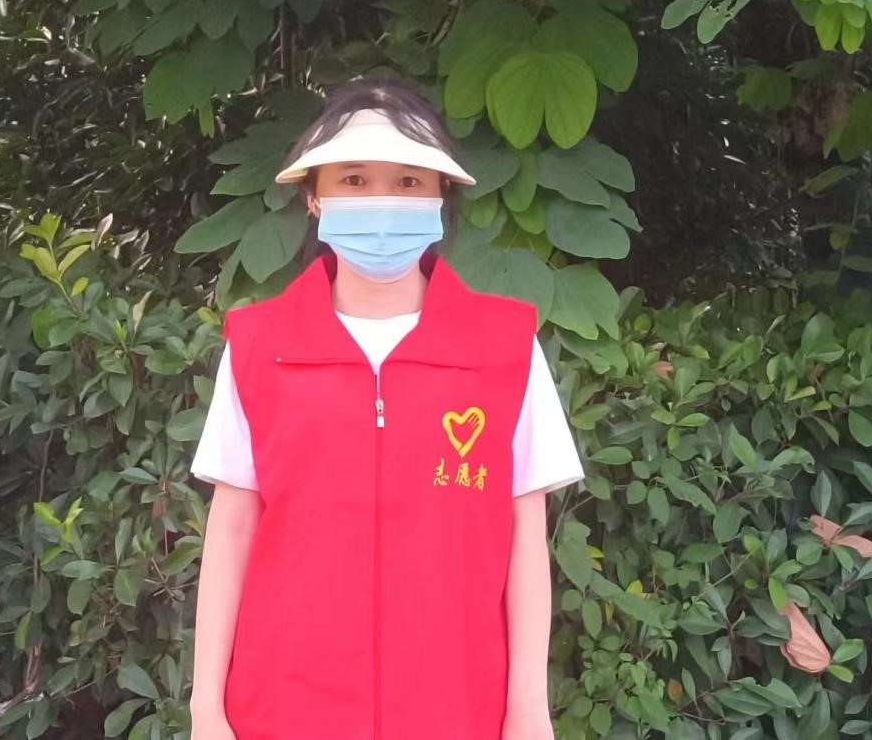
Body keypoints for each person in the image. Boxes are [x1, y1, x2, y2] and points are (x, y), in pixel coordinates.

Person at [187, 78, 586, 740]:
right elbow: (230, 529)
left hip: (456, 708)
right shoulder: (260, 346)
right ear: (314, 197)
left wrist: (527, 707)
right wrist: (207, 708)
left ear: (440, 197)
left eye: (407, 182)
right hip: (284, 706)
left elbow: (524, 535)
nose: (380, 200)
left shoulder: (504, 348)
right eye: (353, 180)